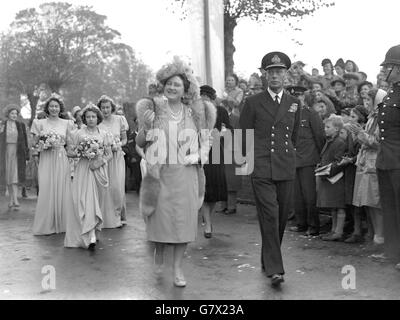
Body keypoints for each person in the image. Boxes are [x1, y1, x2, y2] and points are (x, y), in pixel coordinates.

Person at [135, 56, 216, 287]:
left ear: (186, 88)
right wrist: (147, 126)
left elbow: (206, 141)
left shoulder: (195, 113)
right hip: (159, 176)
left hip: (186, 175)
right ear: (164, 86)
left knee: (183, 224)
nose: (172, 87)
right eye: (169, 83)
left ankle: (178, 268)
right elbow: (140, 142)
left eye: (177, 84)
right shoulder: (154, 109)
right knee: (160, 222)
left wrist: (198, 156)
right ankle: (159, 253)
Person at [239, 51, 301, 287]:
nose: (275, 75)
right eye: (271, 72)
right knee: (270, 215)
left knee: (282, 217)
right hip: (262, 166)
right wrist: (246, 161)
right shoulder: (253, 102)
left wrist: (287, 157)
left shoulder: (295, 103)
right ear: (264, 75)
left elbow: (293, 136)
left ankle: (268, 259)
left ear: (286, 74)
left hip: (285, 166)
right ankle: (275, 268)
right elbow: (242, 135)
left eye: (279, 71)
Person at [64, 104, 113, 250]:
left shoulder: (104, 134)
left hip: (99, 171)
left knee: (97, 201)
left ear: (98, 118)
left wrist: (99, 161)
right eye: (88, 117)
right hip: (84, 170)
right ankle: (89, 234)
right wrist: (82, 153)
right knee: (84, 201)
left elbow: (109, 154)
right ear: (84, 118)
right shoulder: (78, 133)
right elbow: (69, 152)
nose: (91, 119)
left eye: (93, 116)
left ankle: (95, 231)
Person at [30, 94, 75, 235]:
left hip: (61, 158)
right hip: (46, 158)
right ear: (47, 108)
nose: (54, 108)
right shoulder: (39, 123)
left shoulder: (67, 123)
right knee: (47, 187)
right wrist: (41, 147)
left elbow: (70, 144)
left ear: (60, 108)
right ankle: (47, 224)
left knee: (62, 188)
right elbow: (33, 144)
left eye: (56, 106)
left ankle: (62, 224)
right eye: (51, 106)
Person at [286, 86, 325, 236]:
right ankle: (301, 223)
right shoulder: (287, 115)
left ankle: (314, 226)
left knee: (309, 195)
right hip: (292, 160)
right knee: (297, 195)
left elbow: (319, 136)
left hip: (308, 160)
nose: (296, 100)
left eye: (299, 97)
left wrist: (320, 158)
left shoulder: (311, 114)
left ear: (303, 98)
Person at [375, 45, 400, 270]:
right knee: (389, 207)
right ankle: (392, 252)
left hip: (398, 161)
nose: (384, 70)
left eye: (388, 66)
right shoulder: (391, 92)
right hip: (386, 159)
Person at [352, 88, 387, 247]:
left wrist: (360, 133)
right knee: (369, 202)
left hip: (373, 162)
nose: (366, 103)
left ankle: (380, 235)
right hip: (366, 162)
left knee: (375, 201)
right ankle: (375, 234)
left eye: (368, 100)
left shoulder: (380, 118)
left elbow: (377, 142)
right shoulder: (372, 117)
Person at [199, 85, 229, 238]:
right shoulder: (197, 112)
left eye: (206, 96)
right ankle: (208, 224)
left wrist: (222, 133)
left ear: (212, 98)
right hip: (201, 152)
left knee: (215, 190)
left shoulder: (221, 111)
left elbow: (229, 130)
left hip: (217, 151)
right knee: (205, 188)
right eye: (201, 95)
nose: (204, 98)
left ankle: (208, 218)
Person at [97, 95, 128, 228]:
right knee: (104, 187)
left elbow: (125, 139)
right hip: (103, 158)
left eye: (107, 107)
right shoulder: (97, 122)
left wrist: (118, 144)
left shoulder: (119, 120)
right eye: (103, 108)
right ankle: (104, 216)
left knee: (117, 187)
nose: (105, 110)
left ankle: (117, 215)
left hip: (117, 157)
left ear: (112, 108)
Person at [317, 115, 347, 241]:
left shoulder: (339, 142)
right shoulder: (330, 141)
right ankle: (334, 230)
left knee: (339, 205)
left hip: (336, 178)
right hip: (330, 177)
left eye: (328, 127)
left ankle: (338, 231)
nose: (325, 129)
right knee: (333, 206)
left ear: (336, 129)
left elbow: (339, 161)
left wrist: (326, 170)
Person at [0, 105, 29, 210]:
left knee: (15, 176)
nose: (14, 115)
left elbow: (25, 141)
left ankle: (15, 199)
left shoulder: (20, 125)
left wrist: (26, 155)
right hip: (5, 152)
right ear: (8, 114)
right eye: (12, 113)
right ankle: (11, 200)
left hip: (17, 153)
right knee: (8, 176)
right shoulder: (3, 124)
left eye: (16, 114)